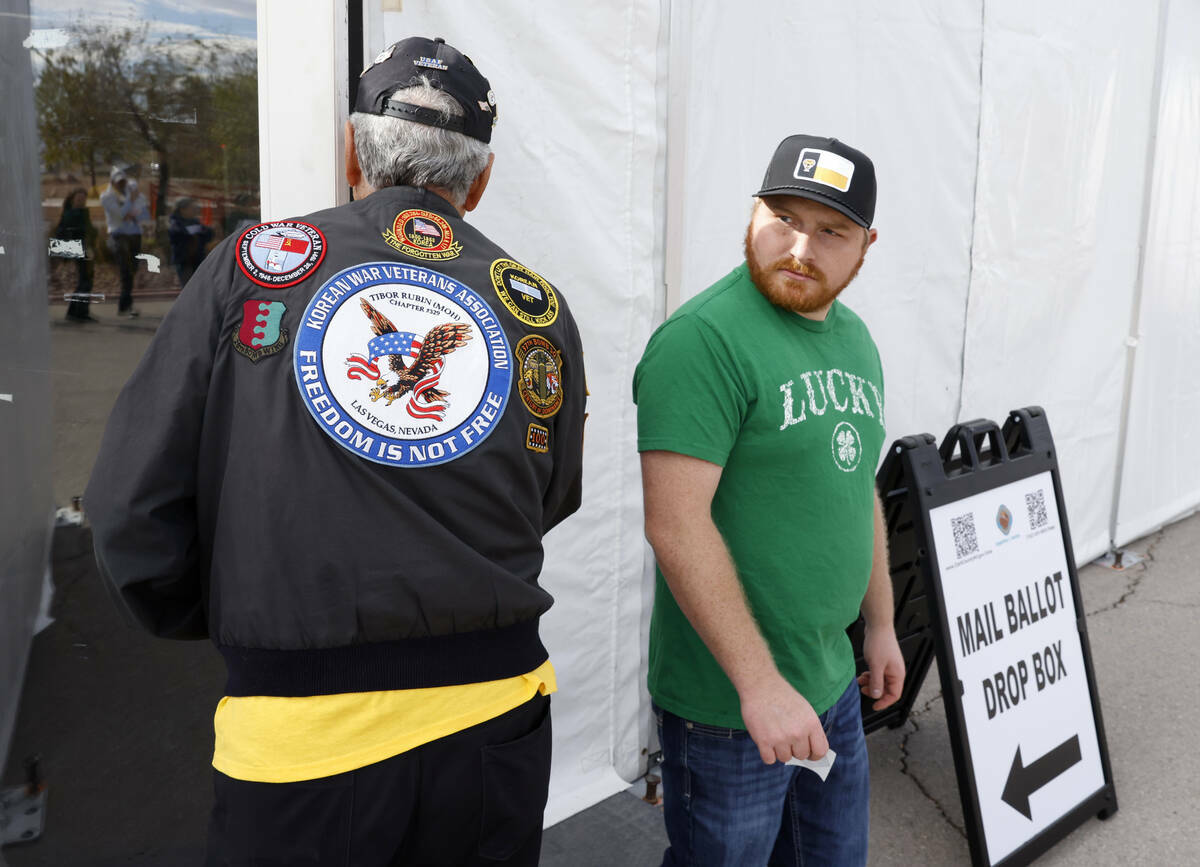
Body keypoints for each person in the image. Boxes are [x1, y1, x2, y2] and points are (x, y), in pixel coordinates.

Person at [85, 36, 586, 866]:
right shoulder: (534, 307)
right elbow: (552, 494)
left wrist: (239, 609)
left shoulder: (252, 266)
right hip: (493, 724)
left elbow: (128, 509)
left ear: (351, 154)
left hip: (300, 737)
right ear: (482, 179)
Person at [632, 135, 905, 866]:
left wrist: (878, 622)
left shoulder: (856, 341)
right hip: (730, 707)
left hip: (830, 679)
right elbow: (675, 523)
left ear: (866, 246)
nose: (799, 246)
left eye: (830, 232)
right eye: (781, 217)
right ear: (753, 212)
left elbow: (857, 490)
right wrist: (759, 686)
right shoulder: (703, 340)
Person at [99, 165, 149, 317]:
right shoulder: (107, 197)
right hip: (119, 235)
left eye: (123, 182)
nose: (122, 185)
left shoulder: (133, 192)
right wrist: (130, 202)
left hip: (135, 234)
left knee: (132, 269)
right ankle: (125, 306)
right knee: (125, 270)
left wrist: (131, 209)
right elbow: (120, 215)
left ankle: (125, 305)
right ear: (112, 182)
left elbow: (143, 214)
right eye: (119, 182)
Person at [56, 187, 99, 322]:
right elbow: (82, 230)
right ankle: (80, 312)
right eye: (79, 198)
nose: (81, 201)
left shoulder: (79, 213)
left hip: (82, 248)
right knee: (85, 281)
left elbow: (89, 230)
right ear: (73, 199)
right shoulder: (73, 214)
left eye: (83, 199)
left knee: (85, 280)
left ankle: (74, 311)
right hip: (78, 248)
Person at [167, 197, 214, 287]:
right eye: (192, 209)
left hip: (197, 258)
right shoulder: (174, 222)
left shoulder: (195, 221)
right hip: (183, 260)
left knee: (200, 286)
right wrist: (190, 233)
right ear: (182, 210)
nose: (195, 211)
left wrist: (205, 231)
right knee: (188, 287)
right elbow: (177, 235)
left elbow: (208, 234)